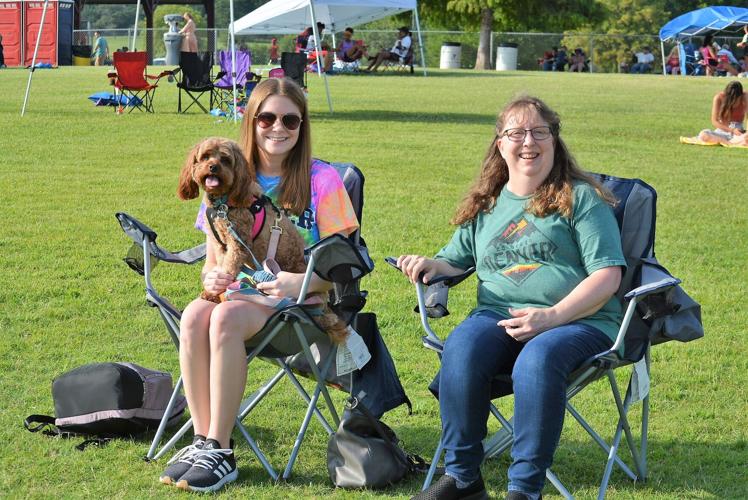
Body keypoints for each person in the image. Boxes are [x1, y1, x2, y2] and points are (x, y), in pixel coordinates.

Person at [402, 95, 626, 500]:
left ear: (554, 142)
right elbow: (455, 259)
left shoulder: (581, 198)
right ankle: (463, 479)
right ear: (500, 144)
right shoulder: (488, 203)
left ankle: (524, 490)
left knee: (538, 359)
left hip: (581, 322)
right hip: (498, 316)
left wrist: (553, 316)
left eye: (540, 132)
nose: (529, 142)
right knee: (463, 347)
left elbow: (608, 276)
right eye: (517, 133)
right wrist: (431, 265)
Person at [159, 78, 359, 493]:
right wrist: (210, 275)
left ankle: (222, 448)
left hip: (298, 308)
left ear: (302, 127)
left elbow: (346, 266)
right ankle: (202, 441)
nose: (278, 128)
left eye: (290, 119)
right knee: (197, 312)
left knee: (225, 317)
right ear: (251, 121)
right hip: (241, 295)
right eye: (267, 117)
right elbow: (215, 256)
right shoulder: (222, 183)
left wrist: (298, 281)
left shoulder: (323, 181)